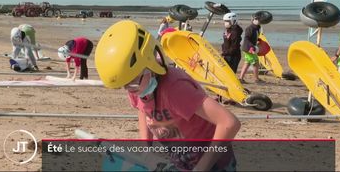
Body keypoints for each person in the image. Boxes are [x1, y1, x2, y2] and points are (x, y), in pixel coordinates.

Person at [95, 20, 240, 171]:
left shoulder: (176, 89)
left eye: (132, 82)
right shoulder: (135, 85)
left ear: (150, 65)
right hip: (180, 157)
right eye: (124, 86)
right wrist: (146, 149)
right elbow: (142, 110)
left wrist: (201, 168)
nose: (129, 90)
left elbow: (229, 123)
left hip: (212, 160)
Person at [239, 13, 264, 84]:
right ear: (252, 20)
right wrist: (252, 46)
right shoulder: (250, 28)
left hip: (250, 48)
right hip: (248, 48)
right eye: (256, 19)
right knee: (255, 63)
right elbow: (247, 38)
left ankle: (241, 78)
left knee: (247, 63)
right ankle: (256, 79)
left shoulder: (257, 28)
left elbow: (254, 37)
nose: (258, 21)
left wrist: (258, 40)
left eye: (259, 19)